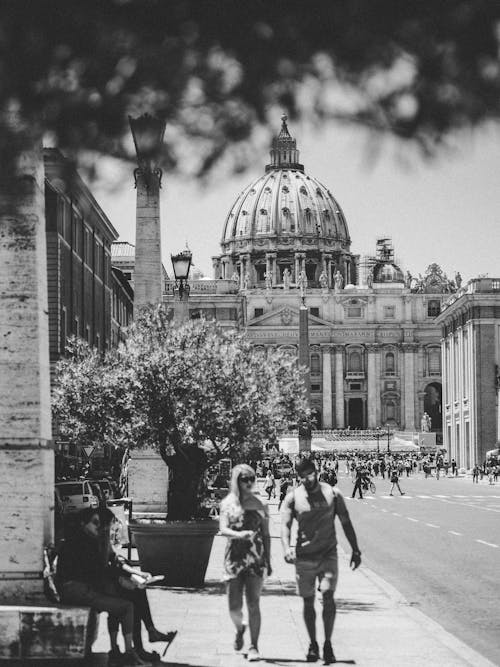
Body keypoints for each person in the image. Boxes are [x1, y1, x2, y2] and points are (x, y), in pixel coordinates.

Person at [57, 508, 175, 666]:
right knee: (131, 596)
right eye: (95, 523)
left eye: (102, 525)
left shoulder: (90, 539)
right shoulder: (84, 542)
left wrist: (131, 573)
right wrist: (123, 579)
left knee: (130, 593)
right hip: (80, 589)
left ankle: (125, 647)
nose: (99, 528)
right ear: (83, 523)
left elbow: (113, 560)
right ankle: (135, 647)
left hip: (87, 586)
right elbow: (99, 570)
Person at [281, 459, 361, 665]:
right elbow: (286, 525)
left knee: (328, 596)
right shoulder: (293, 497)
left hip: (328, 554)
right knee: (308, 601)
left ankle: (327, 644)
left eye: (309, 475)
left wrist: (355, 549)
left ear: (316, 472)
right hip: (304, 556)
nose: (307, 480)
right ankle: (312, 643)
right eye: (302, 476)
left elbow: (345, 522)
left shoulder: (333, 494)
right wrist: (286, 547)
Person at [219, 464, 272, 662]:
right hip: (234, 558)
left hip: (255, 558)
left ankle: (254, 646)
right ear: (236, 480)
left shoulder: (260, 504)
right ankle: (240, 627)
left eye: (252, 478)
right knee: (233, 605)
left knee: (253, 602)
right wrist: (238, 534)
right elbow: (223, 528)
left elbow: (266, 534)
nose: (249, 482)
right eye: (244, 479)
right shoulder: (228, 503)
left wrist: (269, 558)